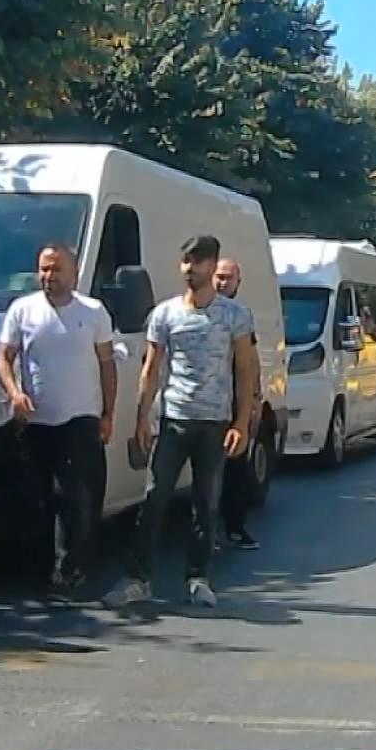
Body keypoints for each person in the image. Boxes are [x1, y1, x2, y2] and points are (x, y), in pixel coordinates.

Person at [106, 235, 257, 611]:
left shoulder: (234, 316)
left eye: (199, 262)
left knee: (205, 504)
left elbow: (245, 369)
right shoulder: (166, 314)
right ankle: (137, 579)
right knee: (155, 499)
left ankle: (198, 577)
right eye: (186, 262)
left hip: (214, 423)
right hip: (173, 419)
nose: (191, 269)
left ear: (212, 265)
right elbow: (151, 369)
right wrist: (142, 417)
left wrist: (241, 422)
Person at [0, 242, 117, 600]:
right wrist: (14, 392)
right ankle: (40, 569)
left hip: (80, 418)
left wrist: (108, 413)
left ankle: (70, 571)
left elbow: (107, 365)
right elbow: (4, 356)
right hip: (36, 421)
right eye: (44, 269)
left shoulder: (93, 312)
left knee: (75, 498)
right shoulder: (23, 310)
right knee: (37, 497)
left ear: (73, 272)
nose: (49, 276)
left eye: (56, 269)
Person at [212, 257, 262, 551]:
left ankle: (234, 527)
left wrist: (255, 396)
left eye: (228, 278)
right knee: (206, 470)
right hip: (205, 402)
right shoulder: (201, 310)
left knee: (236, 467)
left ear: (237, 283)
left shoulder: (241, 316)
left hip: (234, 401)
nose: (222, 282)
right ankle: (205, 532)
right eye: (219, 276)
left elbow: (251, 359)